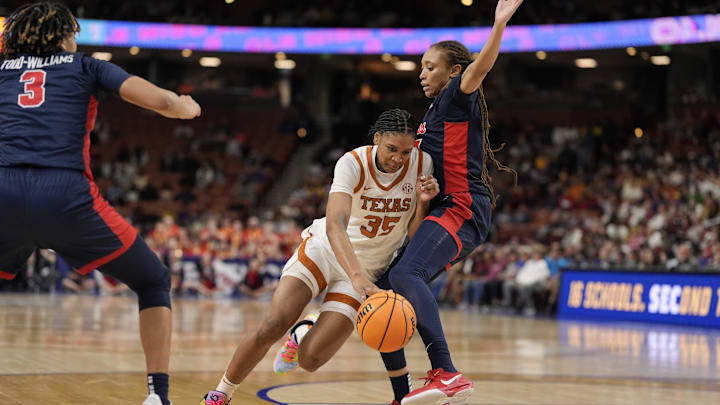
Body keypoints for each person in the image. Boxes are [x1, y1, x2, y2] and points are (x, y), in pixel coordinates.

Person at [0, 3, 201, 405]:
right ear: (63, 34)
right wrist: (184, 106)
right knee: (152, 281)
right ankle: (157, 396)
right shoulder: (84, 66)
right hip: (64, 196)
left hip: (2, 190)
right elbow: (158, 101)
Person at [201, 109, 438, 405]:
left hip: (368, 267)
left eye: (405, 151)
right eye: (391, 149)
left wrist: (422, 205)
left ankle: (302, 333)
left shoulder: (422, 163)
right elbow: (335, 223)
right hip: (326, 251)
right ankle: (221, 393)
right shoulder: (352, 162)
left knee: (310, 360)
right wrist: (357, 276)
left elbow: (415, 234)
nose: (398, 158)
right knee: (272, 324)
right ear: (377, 139)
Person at [378, 1, 524, 404]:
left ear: (453, 71)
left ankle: (447, 372)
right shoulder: (433, 110)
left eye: (429, 66)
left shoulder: (458, 97)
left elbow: (481, 67)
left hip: (463, 207)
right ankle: (401, 394)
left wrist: (498, 24)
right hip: (445, 204)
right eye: (421, 67)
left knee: (407, 275)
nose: (422, 72)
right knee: (381, 291)